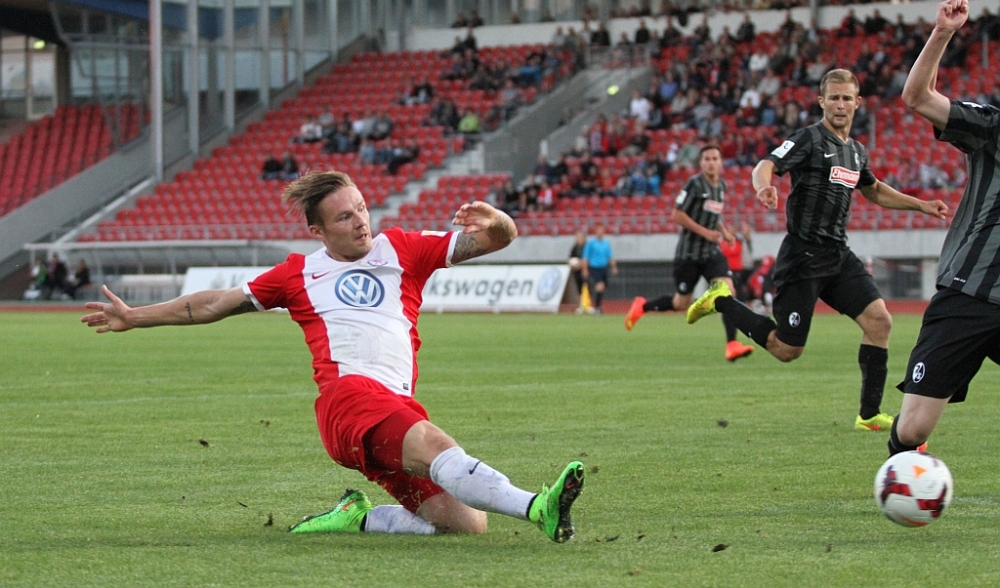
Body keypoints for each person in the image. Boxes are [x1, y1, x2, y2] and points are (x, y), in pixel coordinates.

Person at [80, 171, 584, 542]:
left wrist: (498, 220)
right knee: (435, 444)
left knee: (466, 524)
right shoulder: (297, 273)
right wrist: (136, 316)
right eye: (345, 216)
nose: (361, 221)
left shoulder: (404, 249)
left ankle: (356, 517)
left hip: (394, 407)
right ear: (318, 232)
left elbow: (496, 238)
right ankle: (539, 507)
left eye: (361, 207)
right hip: (348, 401)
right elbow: (215, 303)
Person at [686, 69, 949, 432]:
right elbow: (766, 164)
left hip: (838, 255)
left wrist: (920, 205)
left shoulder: (856, 152)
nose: (840, 105)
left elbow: (873, 190)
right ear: (822, 101)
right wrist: (764, 186)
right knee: (787, 350)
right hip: (803, 256)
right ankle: (721, 301)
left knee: (879, 321)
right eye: (834, 98)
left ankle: (869, 414)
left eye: (847, 98)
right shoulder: (808, 139)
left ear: (857, 103)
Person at [890, 0, 999, 456]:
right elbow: (916, 98)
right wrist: (942, 32)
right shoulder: (992, 128)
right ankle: (900, 476)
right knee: (913, 429)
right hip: (968, 295)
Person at [624, 145, 755, 362]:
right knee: (681, 303)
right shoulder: (694, 184)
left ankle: (732, 344)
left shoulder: (721, 186)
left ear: (721, 162)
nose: (711, 162)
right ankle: (642, 306)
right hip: (689, 255)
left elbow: (713, 215)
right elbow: (677, 215)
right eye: (707, 159)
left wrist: (724, 232)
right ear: (701, 163)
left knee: (728, 292)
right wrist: (706, 233)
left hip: (711, 254)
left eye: (715, 158)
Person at [580, 224, 617, 314]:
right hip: (594, 267)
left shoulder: (606, 243)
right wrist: (585, 269)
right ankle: (597, 307)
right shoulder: (591, 243)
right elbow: (586, 257)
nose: (600, 232)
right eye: (598, 230)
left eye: (602, 230)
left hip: (603, 267)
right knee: (600, 285)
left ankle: (598, 305)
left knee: (603, 287)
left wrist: (614, 267)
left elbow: (610, 256)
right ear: (596, 232)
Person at [568, 229, 587, 312]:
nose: (578, 239)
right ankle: (581, 305)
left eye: (580, 237)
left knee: (586, 287)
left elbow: (587, 258)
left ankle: (587, 304)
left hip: (585, 270)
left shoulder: (586, 247)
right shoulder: (575, 247)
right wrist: (573, 264)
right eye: (577, 237)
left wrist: (581, 264)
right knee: (579, 288)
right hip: (577, 271)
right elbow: (570, 258)